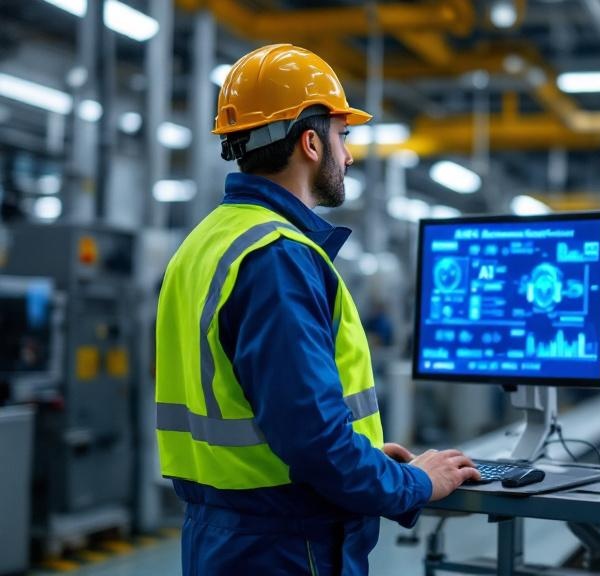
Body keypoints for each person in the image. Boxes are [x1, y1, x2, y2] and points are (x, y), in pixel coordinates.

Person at [154, 44, 480, 576]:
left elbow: (273, 416)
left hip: (223, 536)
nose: (348, 155)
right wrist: (416, 482)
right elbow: (313, 442)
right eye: (342, 135)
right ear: (310, 142)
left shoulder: (204, 243)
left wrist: (368, 458)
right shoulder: (276, 257)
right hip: (285, 546)